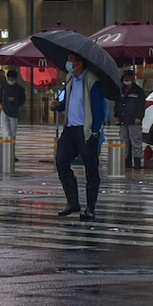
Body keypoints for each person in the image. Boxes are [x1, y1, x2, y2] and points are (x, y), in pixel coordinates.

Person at [53, 55, 108, 219]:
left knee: (91, 169)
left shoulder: (92, 81)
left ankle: (90, 207)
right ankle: (73, 202)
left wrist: (95, 131)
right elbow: (68, 102)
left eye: (71, 61)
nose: (68, 63)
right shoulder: (70, 78)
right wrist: (58, 106)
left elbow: (98, 108)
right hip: (70, 128)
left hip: (85, 130)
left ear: (79, 63)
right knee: (61, 162)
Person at [115, 69, 147, 168]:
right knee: (124, 141)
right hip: (123, 120)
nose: (127, 79)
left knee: (135, 141)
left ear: (133, 78)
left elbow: (141, 106)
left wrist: (139, 117)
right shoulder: (121, 90)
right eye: (125, 77)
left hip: (134, 120)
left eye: (128, 77)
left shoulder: (138, 91)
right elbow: (117, 104)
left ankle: (137, 162)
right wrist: (116, 115)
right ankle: (126, 162)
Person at [0, 72, 25, 140]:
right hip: (4, 110)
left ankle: (11, 143)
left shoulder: (19, 88)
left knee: (13, 131)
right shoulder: (3, 87)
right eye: (10, 79)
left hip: (14, 111)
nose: (11, 80)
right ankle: (7, 142)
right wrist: (0, 106)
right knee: (5, 130)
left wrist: (15, 100)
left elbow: (22, 100)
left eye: (12, 79)